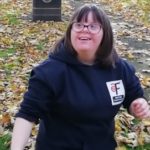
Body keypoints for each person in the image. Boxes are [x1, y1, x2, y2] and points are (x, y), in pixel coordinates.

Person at [11, 4, 150, 150]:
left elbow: (134, 96)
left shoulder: (120, 68)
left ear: (105, 33)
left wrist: (137, 104)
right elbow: (27, 115)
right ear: (70, 31)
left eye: (93, 26)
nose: (84, 29)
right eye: (79, 25)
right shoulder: (49, 72)